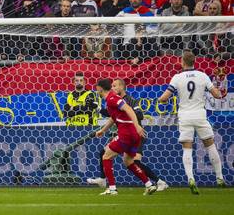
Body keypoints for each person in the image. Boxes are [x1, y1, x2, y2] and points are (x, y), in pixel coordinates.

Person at [158, 50, 225, 194]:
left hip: (185, 116)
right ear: (194, 61)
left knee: (187, 149)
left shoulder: (177, 77)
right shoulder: (203, 76)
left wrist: (160, 99)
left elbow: (164, 97)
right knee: (210, 145)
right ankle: (219, 177)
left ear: (182, 62)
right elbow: (217, 94)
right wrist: (221, 92)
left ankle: (191, 178)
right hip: (200, 115)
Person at [88, 79, 169, 191]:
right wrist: (103, 130)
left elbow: (129, 109)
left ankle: (111, 189)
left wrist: (137, 126)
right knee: (128, 161)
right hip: (133, 134)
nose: (113, 87)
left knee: (106, 156)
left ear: (100, 89)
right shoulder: (111, 100)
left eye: (115, 85)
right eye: (112, 85)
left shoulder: (113, 98)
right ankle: (149, 185)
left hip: (128, 133)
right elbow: (113, 117)